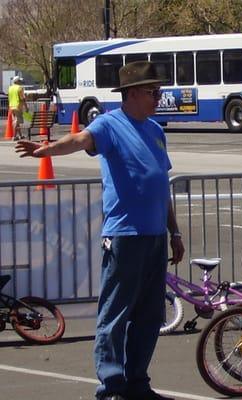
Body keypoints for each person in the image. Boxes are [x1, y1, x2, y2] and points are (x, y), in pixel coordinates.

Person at [15, 61, 184, 400]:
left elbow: (161, 185)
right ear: (132, 93)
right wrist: (46, 149)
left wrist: (175, 232)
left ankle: (138, 382)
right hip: (124, 236)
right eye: (153, 92)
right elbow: (79, 139)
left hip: (154, 237)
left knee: (150, 316)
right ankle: (112, 386)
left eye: (159, 91)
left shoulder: (155, 130)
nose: (159, 97)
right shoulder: (109, 124)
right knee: (115, 314)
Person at [8, 75, 29, 140]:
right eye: (19, 80)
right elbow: (23, 99)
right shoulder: (20, 88)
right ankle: (14, 136)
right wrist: (26, 107)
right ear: (17, 81)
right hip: (18, 106)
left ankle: (20, 135)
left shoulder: (10, 88)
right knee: (17, 121)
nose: (20, 81)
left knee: (17, 120)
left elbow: (9, 97)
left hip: (12, 106)